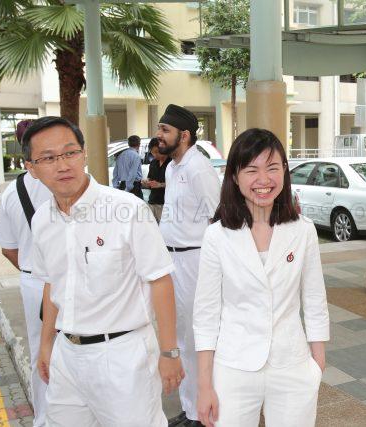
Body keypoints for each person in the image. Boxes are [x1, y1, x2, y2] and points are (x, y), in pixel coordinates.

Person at [23, 116, 184, 426]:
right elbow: (52, 286)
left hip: (123, 358)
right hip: (67, 356)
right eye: (48, 158)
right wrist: (46, 345)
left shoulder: (127, 210)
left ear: (84, 153)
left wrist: (170, 353)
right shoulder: (42, 219)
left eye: (70, 152)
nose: (62, 165)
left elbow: (160, 280)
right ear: (31, 167)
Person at [194, 128, 329, 427]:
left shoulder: (303, 230)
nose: (264, 180)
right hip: (234, 367)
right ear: (234, 176)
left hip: (292, 365)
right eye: (252, 170)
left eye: (272, 167)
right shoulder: (217, 236)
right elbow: (205, 315)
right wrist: (204, 385)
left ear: (284, 170)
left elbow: (315, 299)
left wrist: (316, 365)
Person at [157, 104, 221, 427]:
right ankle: (187, 407)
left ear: (184, 135)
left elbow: (220, 218)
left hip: (195, 261)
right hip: (172, 260)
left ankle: (200, 413)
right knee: (180, 337)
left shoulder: (199, 168)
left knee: (197, 339)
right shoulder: (171, 168)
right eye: (159, 129)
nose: (159, 136)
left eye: (165, 130)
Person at [0, 119, 51, 427]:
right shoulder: (71, 178)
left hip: (32, 281)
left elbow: (7, 248)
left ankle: (44, 419)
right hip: (72, 279)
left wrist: (32, 270)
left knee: (38, 350)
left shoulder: (10, 193)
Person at [143, 137, 171, 223]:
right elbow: (150, 178)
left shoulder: (171, 163)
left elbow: (175, 183)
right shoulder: (153, 163)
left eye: (157, 152)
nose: (155, 155)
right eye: (153, 153)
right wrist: (146, 182)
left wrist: (160, 185)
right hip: (152, 201)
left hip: (165, 203)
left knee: (163, 230)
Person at [112, 134, 143, 199]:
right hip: (133, 186)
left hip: (122, 185)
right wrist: (128, 188)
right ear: (139, 144)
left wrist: (116, 186)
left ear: (128, 144)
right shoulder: (136, 156)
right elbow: (132, 173)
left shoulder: (120, 155)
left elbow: (115, 173)